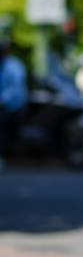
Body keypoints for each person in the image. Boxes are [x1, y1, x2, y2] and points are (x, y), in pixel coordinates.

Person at [0, 40, 28, 171]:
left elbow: (15, 87)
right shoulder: (4, 64)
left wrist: (3, 99)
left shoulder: (13, 66)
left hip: (15, 105)